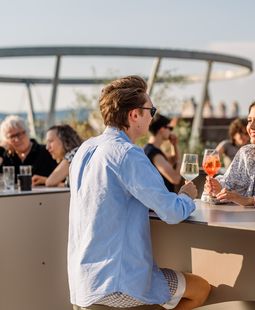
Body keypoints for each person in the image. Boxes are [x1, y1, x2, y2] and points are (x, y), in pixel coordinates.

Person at [68, 75, 210, 309]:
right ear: (134, 115)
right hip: (119, 283)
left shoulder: (85, 149)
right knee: (201, 289)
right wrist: (186, 195)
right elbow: (173, 212)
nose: (152, 116)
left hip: (83, 282)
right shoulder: (127, 154)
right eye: (151, 110)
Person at [144, 114, 181, 192]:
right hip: (163, 202)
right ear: (162, 129)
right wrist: (180, 162)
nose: (171, 131)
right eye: (170, 128)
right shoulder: (154, 153)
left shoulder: (151, 149)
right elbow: (175, 178)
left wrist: (174, 145)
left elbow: (172, 161)